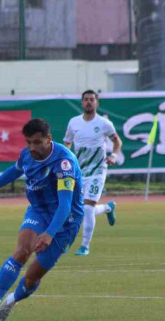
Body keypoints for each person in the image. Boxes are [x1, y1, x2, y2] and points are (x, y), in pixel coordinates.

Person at [0, 118, 84, 321]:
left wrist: (50, 233)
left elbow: (65, 205)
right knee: (22, 250)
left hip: (65, 221)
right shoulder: (27, 155)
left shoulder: (63, 162)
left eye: (36, 142)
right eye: (28, 142)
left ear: (48, 140)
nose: (32, 148)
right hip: (39, 211)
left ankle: (11, 300)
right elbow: (15, 171)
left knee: (33, 277)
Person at [64, 90, 123, 256]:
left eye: (92, 99)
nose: (89, 102)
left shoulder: (104, 123)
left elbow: (117, 141)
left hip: (98, 170)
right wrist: (66, 160)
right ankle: (107, 208)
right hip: (79, 172)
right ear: (82, 103)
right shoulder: (74, 122)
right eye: (86, 100)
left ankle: (85, 246)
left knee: (88, 208)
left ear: (97, 103)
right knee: (78, 210)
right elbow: (67, 143)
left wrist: (114, 155)